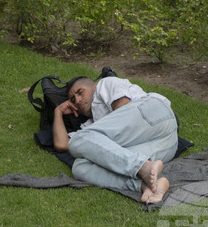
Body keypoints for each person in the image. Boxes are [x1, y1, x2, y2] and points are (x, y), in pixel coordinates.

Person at [52, 76, 178, 205]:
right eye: (73, 100)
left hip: (154, 112)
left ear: (94, 86)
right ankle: (147, 186)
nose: (77, 100)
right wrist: (58, 111)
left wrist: (103, 149)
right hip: (166, 145)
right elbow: (62, 144)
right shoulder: (90, 126)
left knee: (80, 140)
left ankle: (142, 167)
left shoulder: (104, 84)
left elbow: (125, 108)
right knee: (80, 167)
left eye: (80, 92)